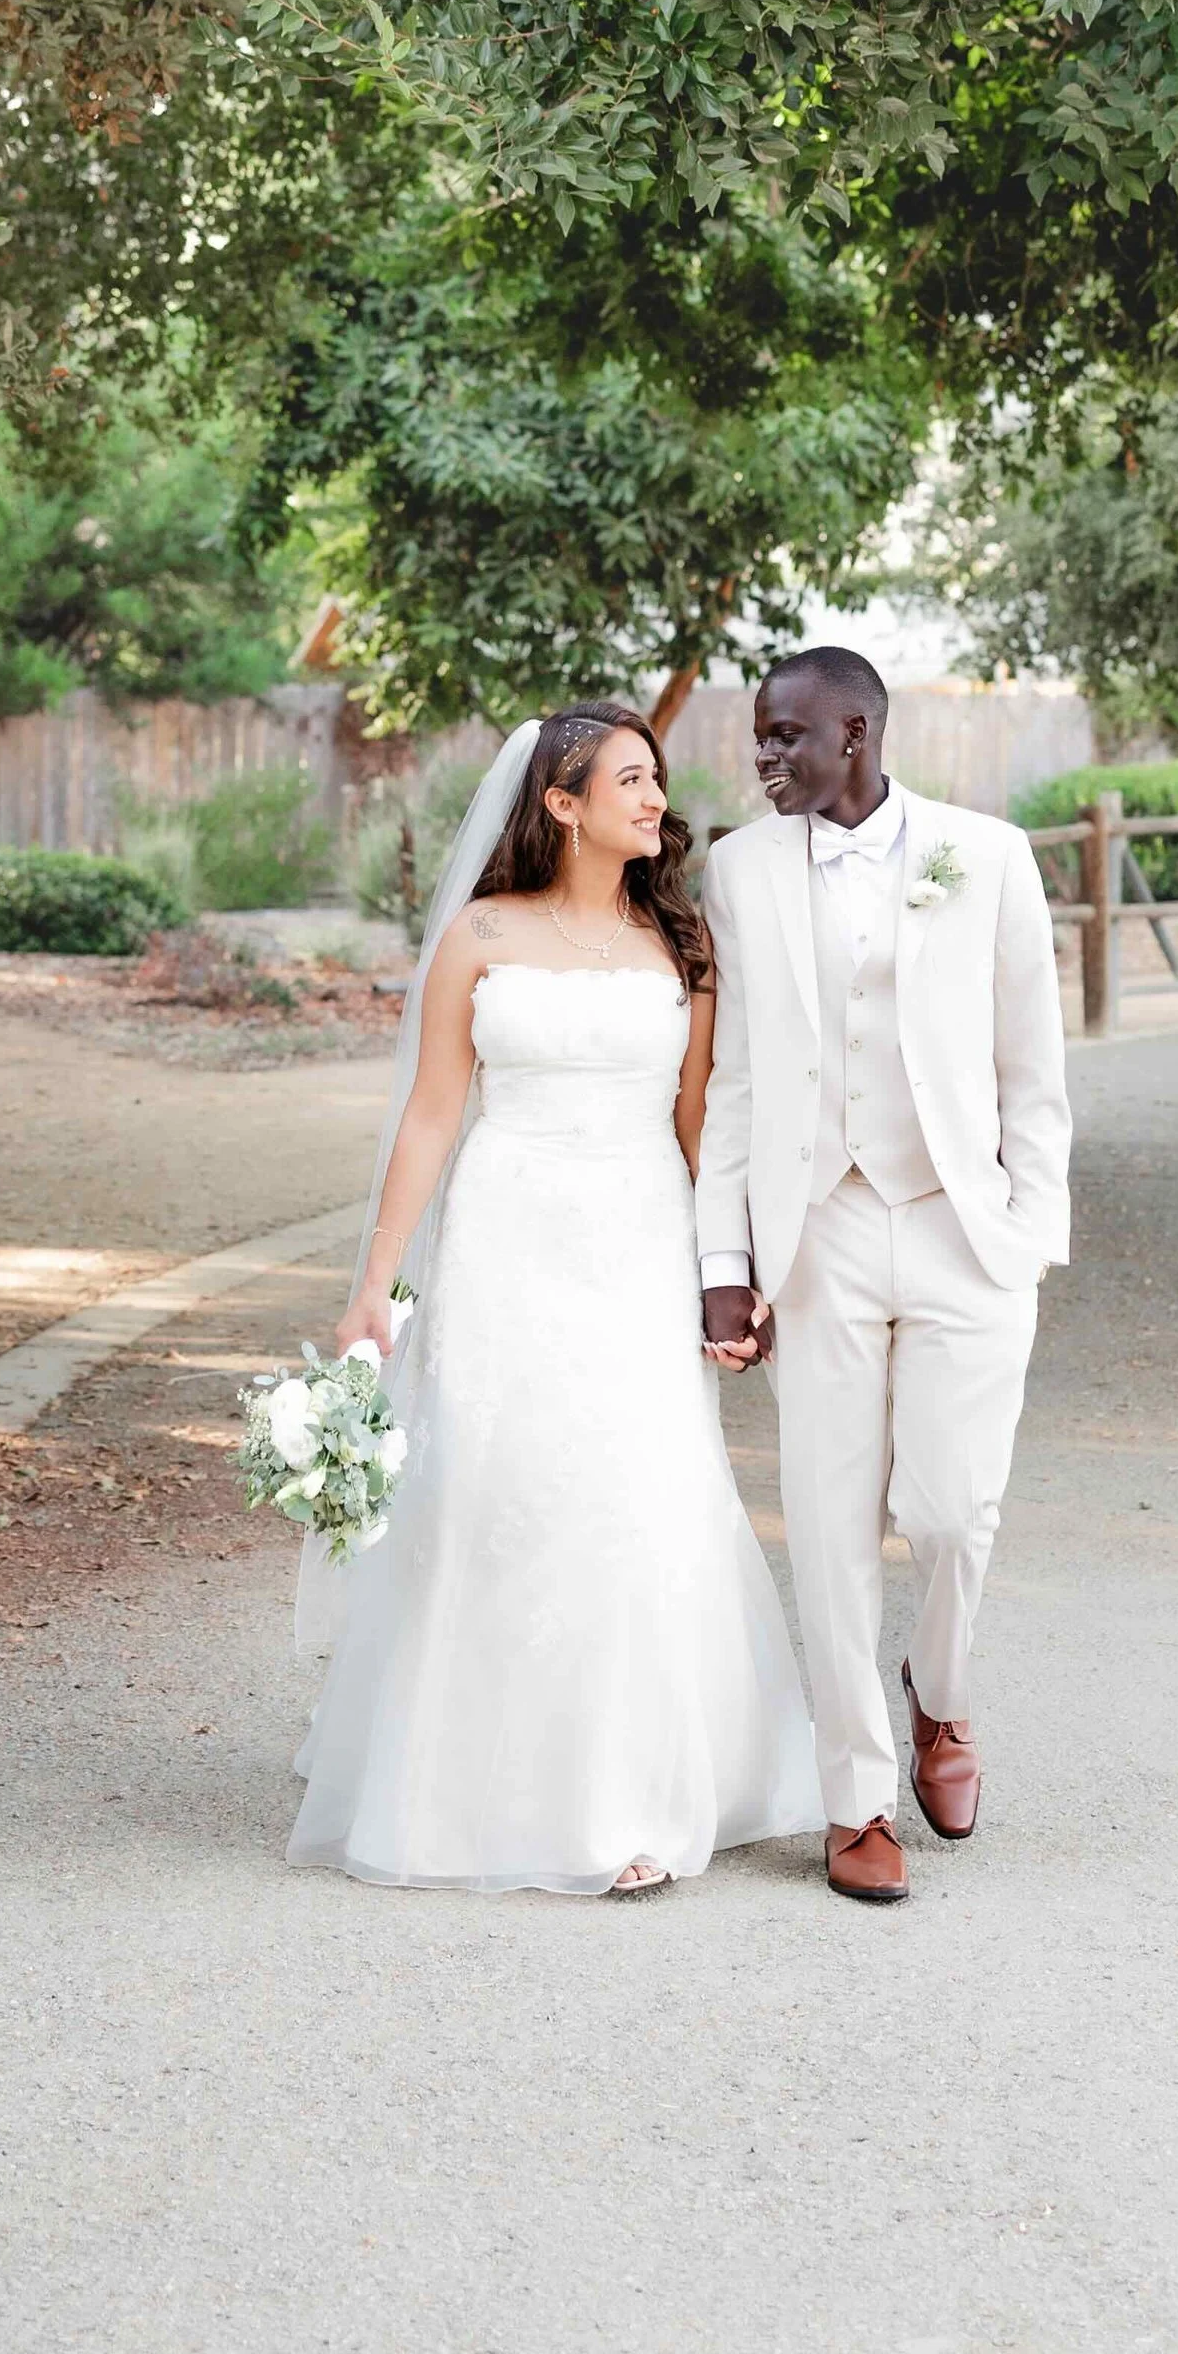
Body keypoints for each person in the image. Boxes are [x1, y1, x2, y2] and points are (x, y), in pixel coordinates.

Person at [289, 704, 820, 1898]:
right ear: (561, 803)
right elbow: (432, 1115)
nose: (655, 797)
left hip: (638, 1241)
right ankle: (468, 1791)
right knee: (501, 1490)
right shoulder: (482, 933)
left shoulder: (682, 941)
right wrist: (374, 1283)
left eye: (655, 778)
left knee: (637, 1494)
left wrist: (731, 1276)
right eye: (627, 779)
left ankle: (630, 1797)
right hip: (506, 1238)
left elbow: (698, 1123)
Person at [696, 647, 1072, 1904]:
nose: (763, 757)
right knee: (829, 1520)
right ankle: (855, 1797)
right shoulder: (741, 869)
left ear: (855, 733)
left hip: (964, 1228)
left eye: (785, 736)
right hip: (822, 1229)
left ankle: (940, 1698)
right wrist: (724, 1260)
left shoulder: (989, 856)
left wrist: (1029, 1226)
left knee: (955, 1514)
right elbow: (737, 1079)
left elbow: (1033, 1066)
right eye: (758, 736)